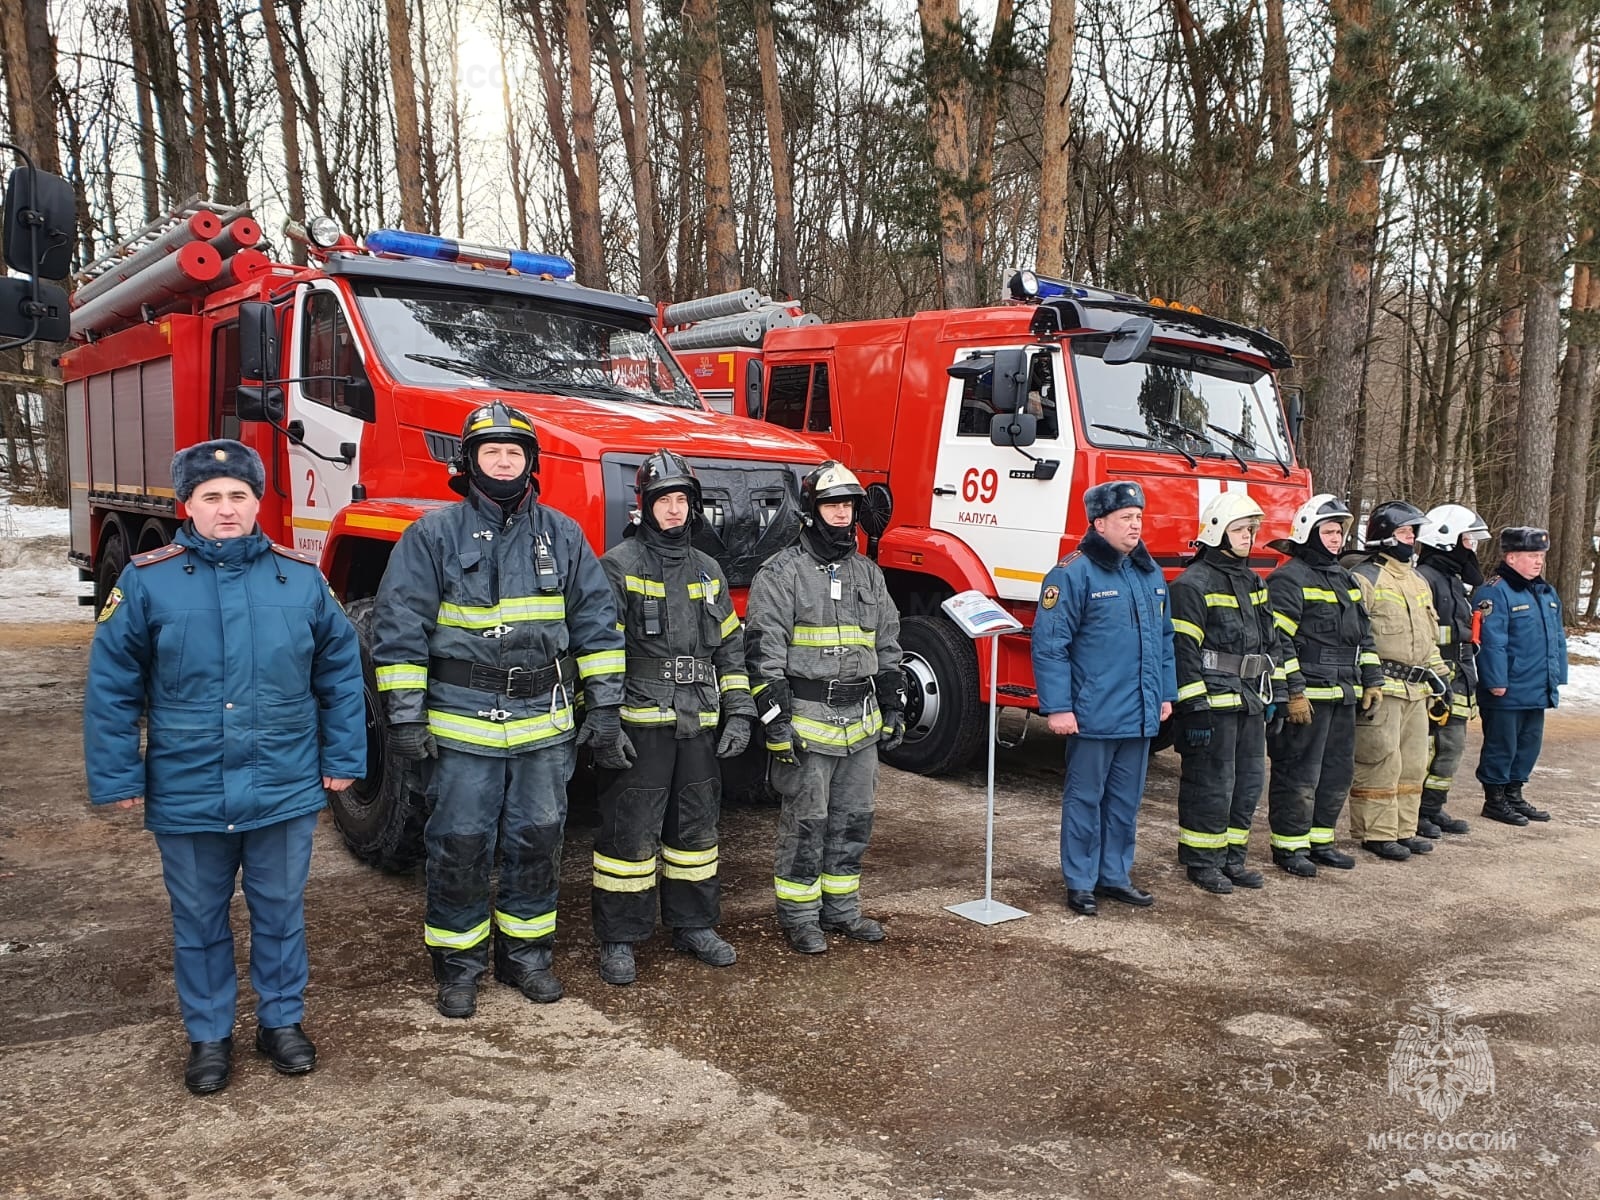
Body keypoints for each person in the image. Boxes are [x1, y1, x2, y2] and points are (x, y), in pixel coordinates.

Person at [85, 439, 366, 1096]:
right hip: (188, 785)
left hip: (284, 781)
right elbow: (112, 685)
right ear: (188, 505)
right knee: (200, 917)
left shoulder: (298, 579)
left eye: (238, 495)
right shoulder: (147, 580)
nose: (226, 508)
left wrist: (345, 757)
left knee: (279, 911)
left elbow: (341, 674)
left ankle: (281, 1021)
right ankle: (209, 1034)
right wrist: (119, 773)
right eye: (211, 497)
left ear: (256, 501)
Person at [372, 402, 628, 1017]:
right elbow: (399, 628)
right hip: (461, 723)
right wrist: (405, 716)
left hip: (545, 724)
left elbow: (597, 624)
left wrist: (607, 710)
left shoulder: (564, 535)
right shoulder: (431, 536)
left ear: (530, 462)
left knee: (538, 839)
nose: (504, 461)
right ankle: (459, 968)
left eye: (514, 452)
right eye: (492, 452)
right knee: (459, 843)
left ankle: (526, 958)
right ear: (470, 462)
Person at [590, 450, 757, 985]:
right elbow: (600, 650)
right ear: (645, 506)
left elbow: (730, 650)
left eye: (683, 500)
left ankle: (694, 924)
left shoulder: (708, 570)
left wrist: (740, 713)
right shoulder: (618, 565)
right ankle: (620, 937)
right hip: (642, 720)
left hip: (699, 721)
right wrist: (606, 721)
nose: (675, 510)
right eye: (664, 500)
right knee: (629, 835)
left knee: (698, 828)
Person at [744, 460, 905, 953]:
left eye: (848, 505)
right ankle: (799, 915)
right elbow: (762, 653)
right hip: (808, 723)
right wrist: (775, 722)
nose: (841, 514)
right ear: (810, 511)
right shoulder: (781, 573)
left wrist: (893, 703)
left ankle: (841, 910)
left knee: (855, 818)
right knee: (806, 823)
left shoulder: (868, 574)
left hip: (860, 724)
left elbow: (888, 644)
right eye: (832, 504)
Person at [1032, 480, 1175, 914]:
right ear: (1099, 523)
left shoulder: (1149, 573)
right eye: (1125, 519)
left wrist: (1165, 695)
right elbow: (1050, 644)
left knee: (1125, 802)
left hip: (1139, 712)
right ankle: (1080, 881)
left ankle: (1114, 875)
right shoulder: (1072, 572)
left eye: (1138, 518)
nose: (1135, 527)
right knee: (1084, 799)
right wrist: (1058, 707)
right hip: (1094, 712)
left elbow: (1164, 640)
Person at [1170, 491, 1287, 894]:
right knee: (1211, 784)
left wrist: (1279, 696)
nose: (1247, 537)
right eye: (1239, 529)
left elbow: (1272, 642)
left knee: (1248, 783)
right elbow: (1183, 651)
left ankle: (1232, 859)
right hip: (1214, 703)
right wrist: (1194, 707)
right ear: (1217, 531)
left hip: (1251, 700)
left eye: (1251, 529)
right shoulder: (1192, 584)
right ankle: (1202, 861)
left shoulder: (1254, 581)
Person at [1264, 495, 1386, 876]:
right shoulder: (1288, 578)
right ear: (1308, 533)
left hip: (1344, 695)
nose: (1336, 538)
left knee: (1336, 773)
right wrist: (1294, 692)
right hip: (1310, 697)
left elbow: (1363, 636)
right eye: (1329, 531)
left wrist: (1372, 680)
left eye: (1339, 532)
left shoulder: (1345, 578)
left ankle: (1320, 840)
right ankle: (1290, 846)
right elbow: (1278, 641)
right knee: (1299, 773)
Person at [1348, 501, 1451, 861]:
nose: (1412, 540)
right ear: (1385, 536)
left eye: (1413, 533)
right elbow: (1359, 636)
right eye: (1405, 533)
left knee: (1412, 762)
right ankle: (1376, 833)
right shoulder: (1365, 577)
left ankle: (1404, 829)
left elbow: (1428, 636)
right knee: (1380, 760)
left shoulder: (1417, 579)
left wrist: (1441, 677)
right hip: (1385, 687)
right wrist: (1369, 679)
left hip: (1418, 688)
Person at [1474, 526, 1568, 825]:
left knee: (1528, 744)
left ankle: (1514, 793)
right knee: (1502, 745)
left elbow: (1558, 638)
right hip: (1508, 687)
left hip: (1537, 685)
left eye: (1540, 555)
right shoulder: (1495, 591)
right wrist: (1496, 681)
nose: (1538, 561)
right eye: (1532, 556)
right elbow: (1491, 641)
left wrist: (1557, 676)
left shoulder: (1545, 591)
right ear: (1512, 557)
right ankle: (1495, 799)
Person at [1415, 504, 1490, 837]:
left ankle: (1433, 808)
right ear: (1446, 539)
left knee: (1452, 747)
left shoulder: (1452, 579)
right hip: (1436, 677)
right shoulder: (1425, 579)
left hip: (1457, 674)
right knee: (1431, 748)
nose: (1471, 547)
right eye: (1468, 539)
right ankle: (1416, 811)